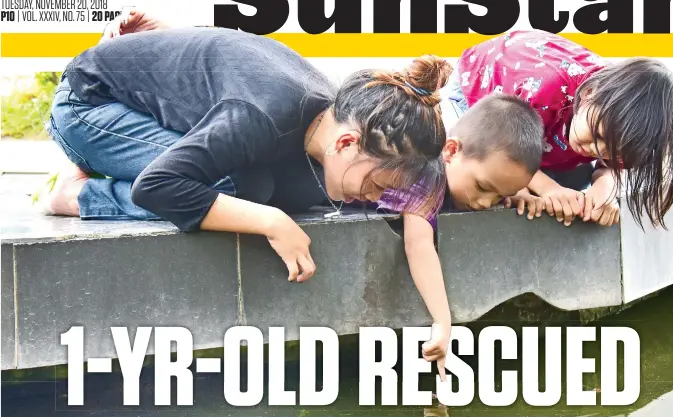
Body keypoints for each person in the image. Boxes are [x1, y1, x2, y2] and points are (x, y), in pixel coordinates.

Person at [40, 9, 458, 374]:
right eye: (376, 184)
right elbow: (158, 185)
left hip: (155, 107)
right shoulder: (262, 115)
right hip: (89, 105)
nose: (372, 197)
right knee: (232, 189)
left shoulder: (325, 118)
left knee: (260, 185)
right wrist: (270, 223)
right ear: (346, 144)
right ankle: (77, 194)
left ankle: (109, 162)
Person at [444, 29, 673, 228]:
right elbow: (503, 152)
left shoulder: (626, 129)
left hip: (558, 118)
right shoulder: (544, 91)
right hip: (484, 89)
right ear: (587, 94)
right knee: (495, 165)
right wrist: (547, 189)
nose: (596, 149)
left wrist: (604, 189)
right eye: (598, 136)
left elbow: (611, 168)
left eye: (611, 150)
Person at [374, 93, 544, 370]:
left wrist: (515, 197)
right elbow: (418, 245)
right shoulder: (425, 171)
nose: (485, 203)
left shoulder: (470, 174)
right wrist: (443, 322)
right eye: (484, 187)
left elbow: (495, 187)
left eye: (500, 195)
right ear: (451, 151)